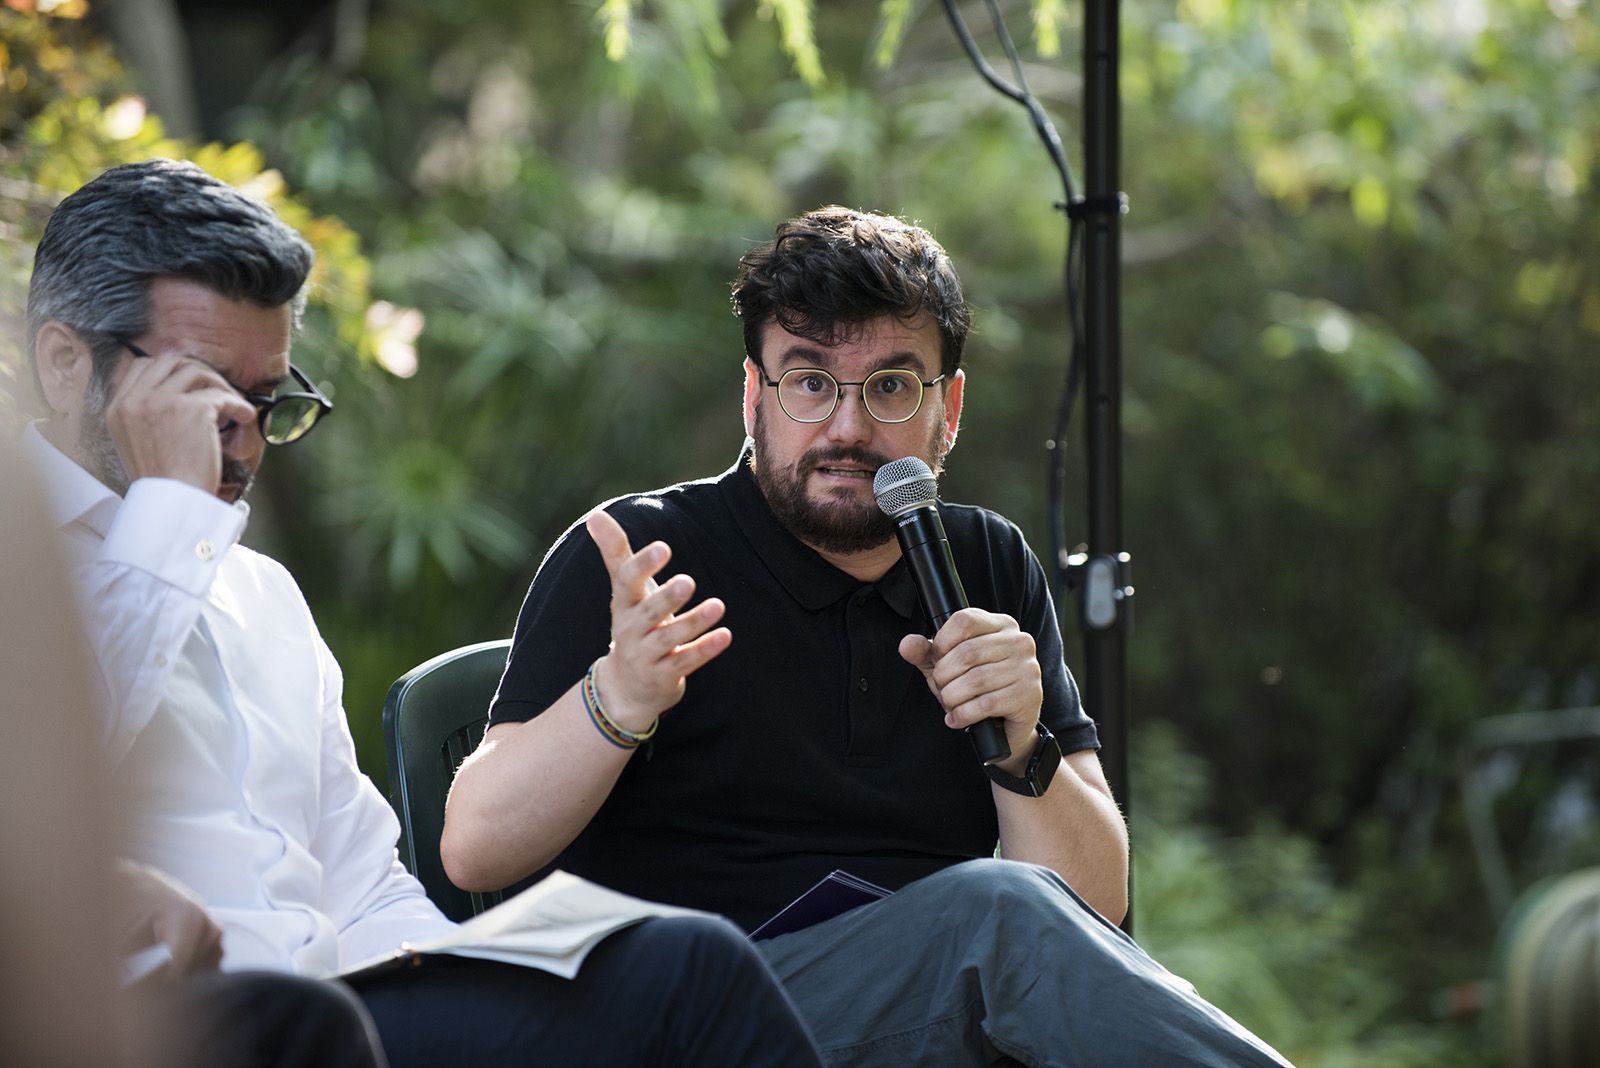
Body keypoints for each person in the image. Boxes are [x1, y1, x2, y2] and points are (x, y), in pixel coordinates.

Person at [442, 206, 1295, 1067]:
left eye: (890, 385)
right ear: (754, 396)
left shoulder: (983, 565)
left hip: (925, 1031)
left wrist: (1023, 747)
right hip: (678, 1026)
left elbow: (1094, 908)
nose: (848, 430)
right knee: (994, 919)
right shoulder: (646, 556)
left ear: (948, 407)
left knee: (1014, 936)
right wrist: (615, 700)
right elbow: (473, 849)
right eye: (810, 382)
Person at [21, 158, 824, 1068]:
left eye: (267, 398)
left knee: (687, 962)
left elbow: (364, 889)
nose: (241, 431)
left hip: (350, 1017)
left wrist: (473, 970)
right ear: (63, 362)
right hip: (165, 1033)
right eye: (200, 392)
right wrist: (169, 518)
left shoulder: (263, 595)